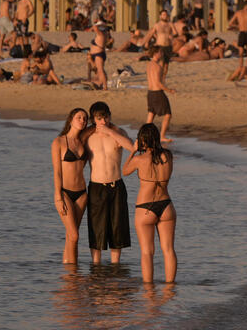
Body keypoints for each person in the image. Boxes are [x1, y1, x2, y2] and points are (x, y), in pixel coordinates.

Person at [82, 101, 137, 264]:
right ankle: (96, 265)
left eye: (106, 117)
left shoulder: (118, 132)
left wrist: (110, 132)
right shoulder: (88, 136)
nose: (103, 121)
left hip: (116, 185)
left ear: (110, 116)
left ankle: (115, 265)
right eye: (99, 118)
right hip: (96, 187)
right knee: (96, 228)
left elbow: (132, 148)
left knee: (117, 228)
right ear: (93, 119)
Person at [123, 123, 177, 284]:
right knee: (168, 250)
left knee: (147, 252)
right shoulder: (168, 156)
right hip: (166, 205)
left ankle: (148, 292)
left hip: (145, 208)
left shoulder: (139, 159)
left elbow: (124, 171)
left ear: (142, 140)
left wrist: (133, 150)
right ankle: (170, 289)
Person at [51, 108, 89, 263]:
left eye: (85, 118)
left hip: (82, 194)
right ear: (71, 120)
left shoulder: (83, 142)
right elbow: (57, 172)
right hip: (65, 193)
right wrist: (58, 197)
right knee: (74, 235)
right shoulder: (59, 142)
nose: (82, 120)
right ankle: (74, 273)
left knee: (71, 236)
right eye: (79, 117)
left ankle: (68, 270)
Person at [146, 45, 175, 143]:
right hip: (157, 93)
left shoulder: (149, 64)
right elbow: (158, 83)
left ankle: (145, 135)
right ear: (155, 53)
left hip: (150, 93)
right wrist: (169, 90)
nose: (162, 54)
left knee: (151, 113)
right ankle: (162, 136)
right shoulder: (157, 66)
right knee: (168, 114)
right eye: (160, 52)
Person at [229, 2, 247, 79]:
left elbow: (230, 23)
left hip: (243, 33)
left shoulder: (239, 13)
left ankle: (242, 66)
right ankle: (246, 67)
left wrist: (238, 26)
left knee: (243, 51)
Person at [89, 21, 109, 90]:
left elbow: (94, 28)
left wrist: (96, 23)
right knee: (99, 71)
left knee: (100, 70)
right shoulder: (104, 34)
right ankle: (101, 83)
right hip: (97, 54)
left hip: (98, 54)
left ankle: (105, 86)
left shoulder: (101, 34)